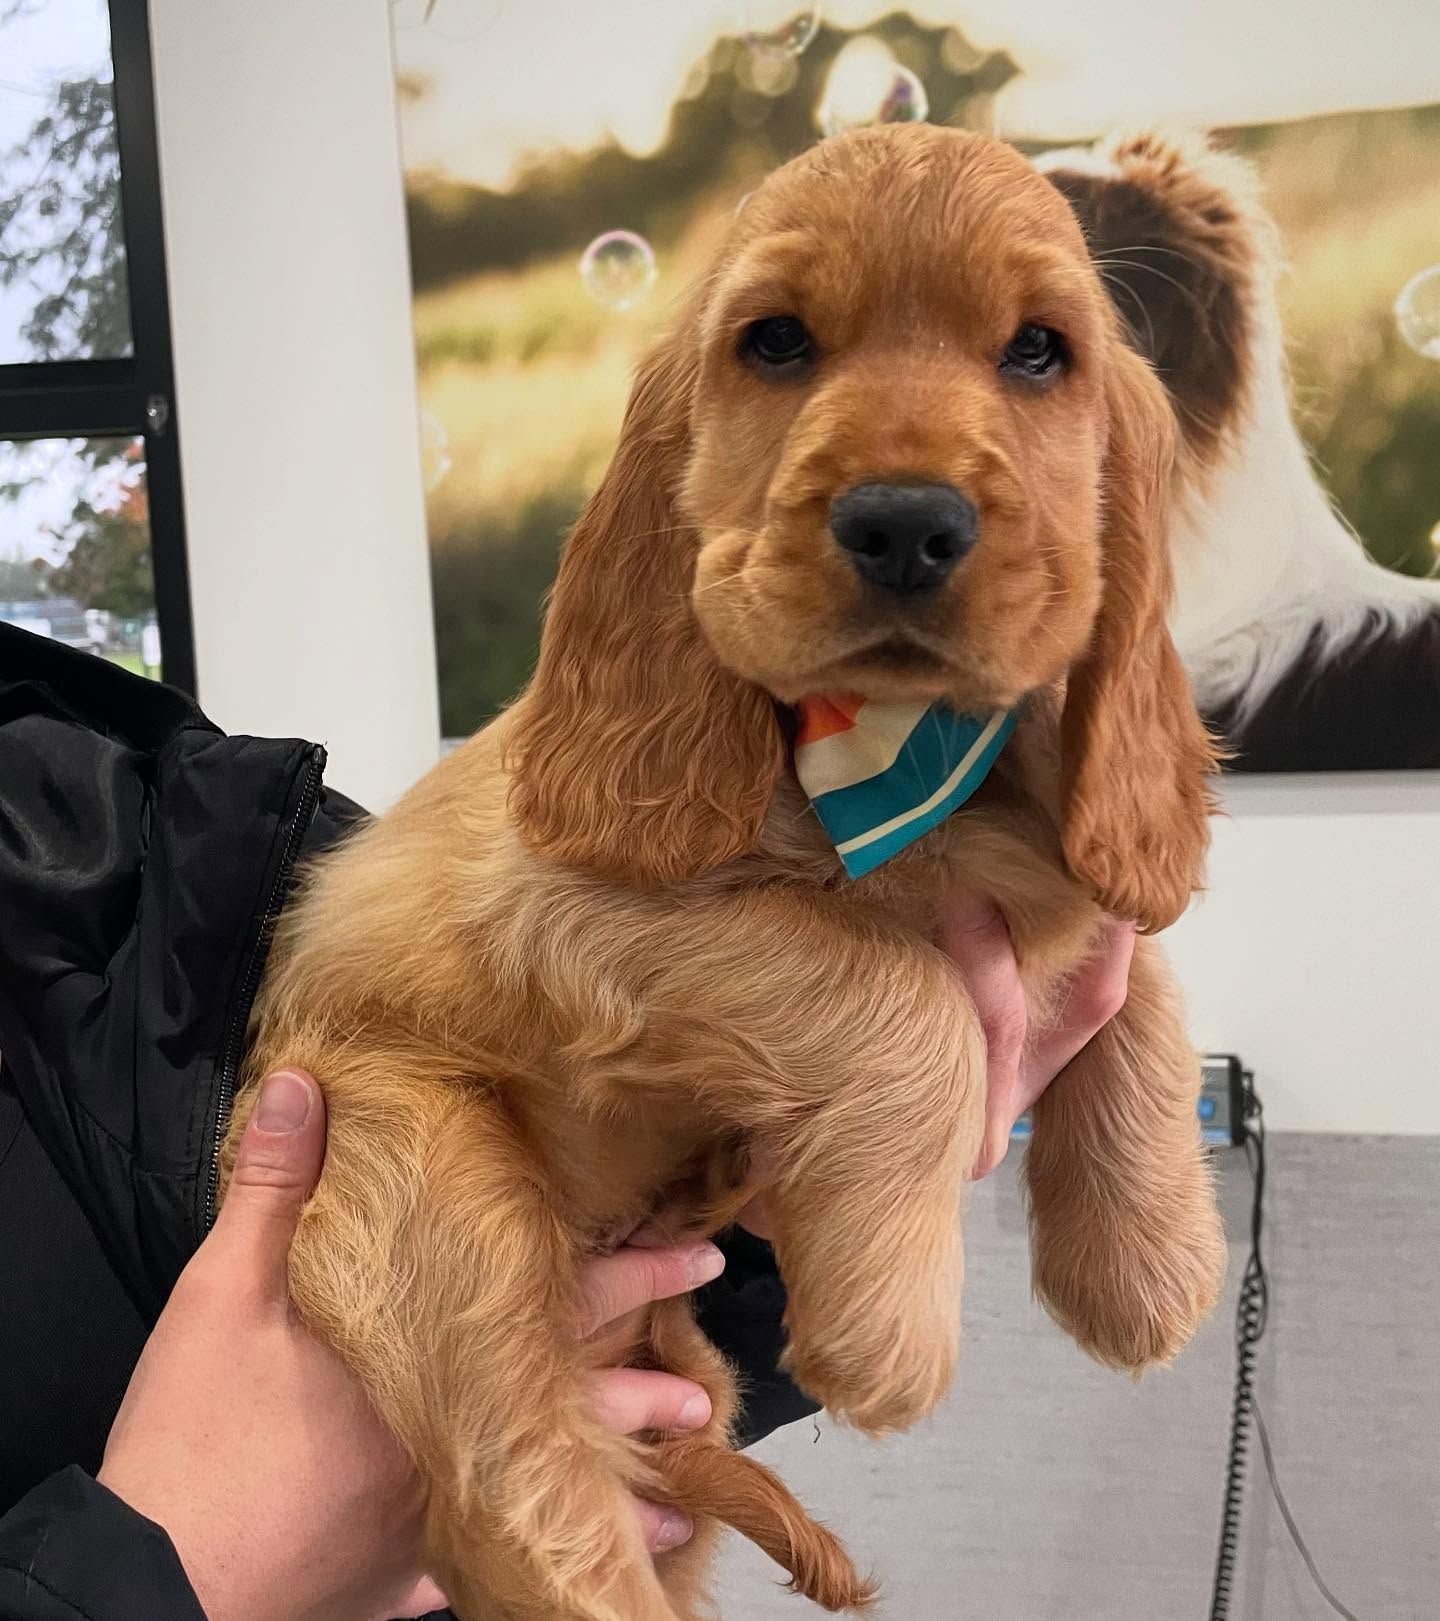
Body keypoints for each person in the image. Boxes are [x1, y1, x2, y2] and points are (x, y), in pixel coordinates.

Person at [0, 623, 1133, 1619]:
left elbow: (467, 980)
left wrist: (779, 1189)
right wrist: (160, 1575)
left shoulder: (55, 753)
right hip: (424, 1212)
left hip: (546, 1200)